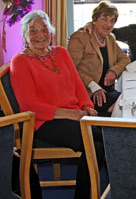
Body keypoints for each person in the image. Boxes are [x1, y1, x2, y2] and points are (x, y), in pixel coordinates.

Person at [10, 10, 104, 199]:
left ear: (51, 31)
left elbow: (77, 84)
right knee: (99, 144)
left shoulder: (60, 52)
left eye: (44, 29)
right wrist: (71, 115)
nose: (40, 35)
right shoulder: (20, 61)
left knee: (107, 134)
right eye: (33, 31)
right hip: (43, 122)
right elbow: (30, 105)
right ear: (25, 35)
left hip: (74, 115)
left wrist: (86, 106)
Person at [68, 1, 130, 117]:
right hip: (88, 92)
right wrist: (93, 86)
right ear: (94, 20)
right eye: (104, 19)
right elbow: (70, 69)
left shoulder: (110, 39)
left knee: (129, 100)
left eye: (112, 20)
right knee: (123, 107)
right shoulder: (80, 38)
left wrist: (113, 71)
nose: (108, 24)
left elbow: (125, 59)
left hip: (107, 90)